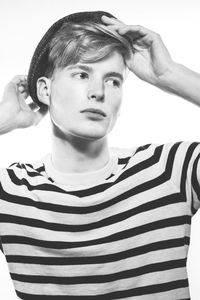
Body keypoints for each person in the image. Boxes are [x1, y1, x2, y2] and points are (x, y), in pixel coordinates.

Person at [0, 10, 200, 299]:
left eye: (113, 80)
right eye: (81, 74)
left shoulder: (169, 171)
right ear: (44, 90)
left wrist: (168, 75)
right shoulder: (11, 194)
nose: (98, 91)